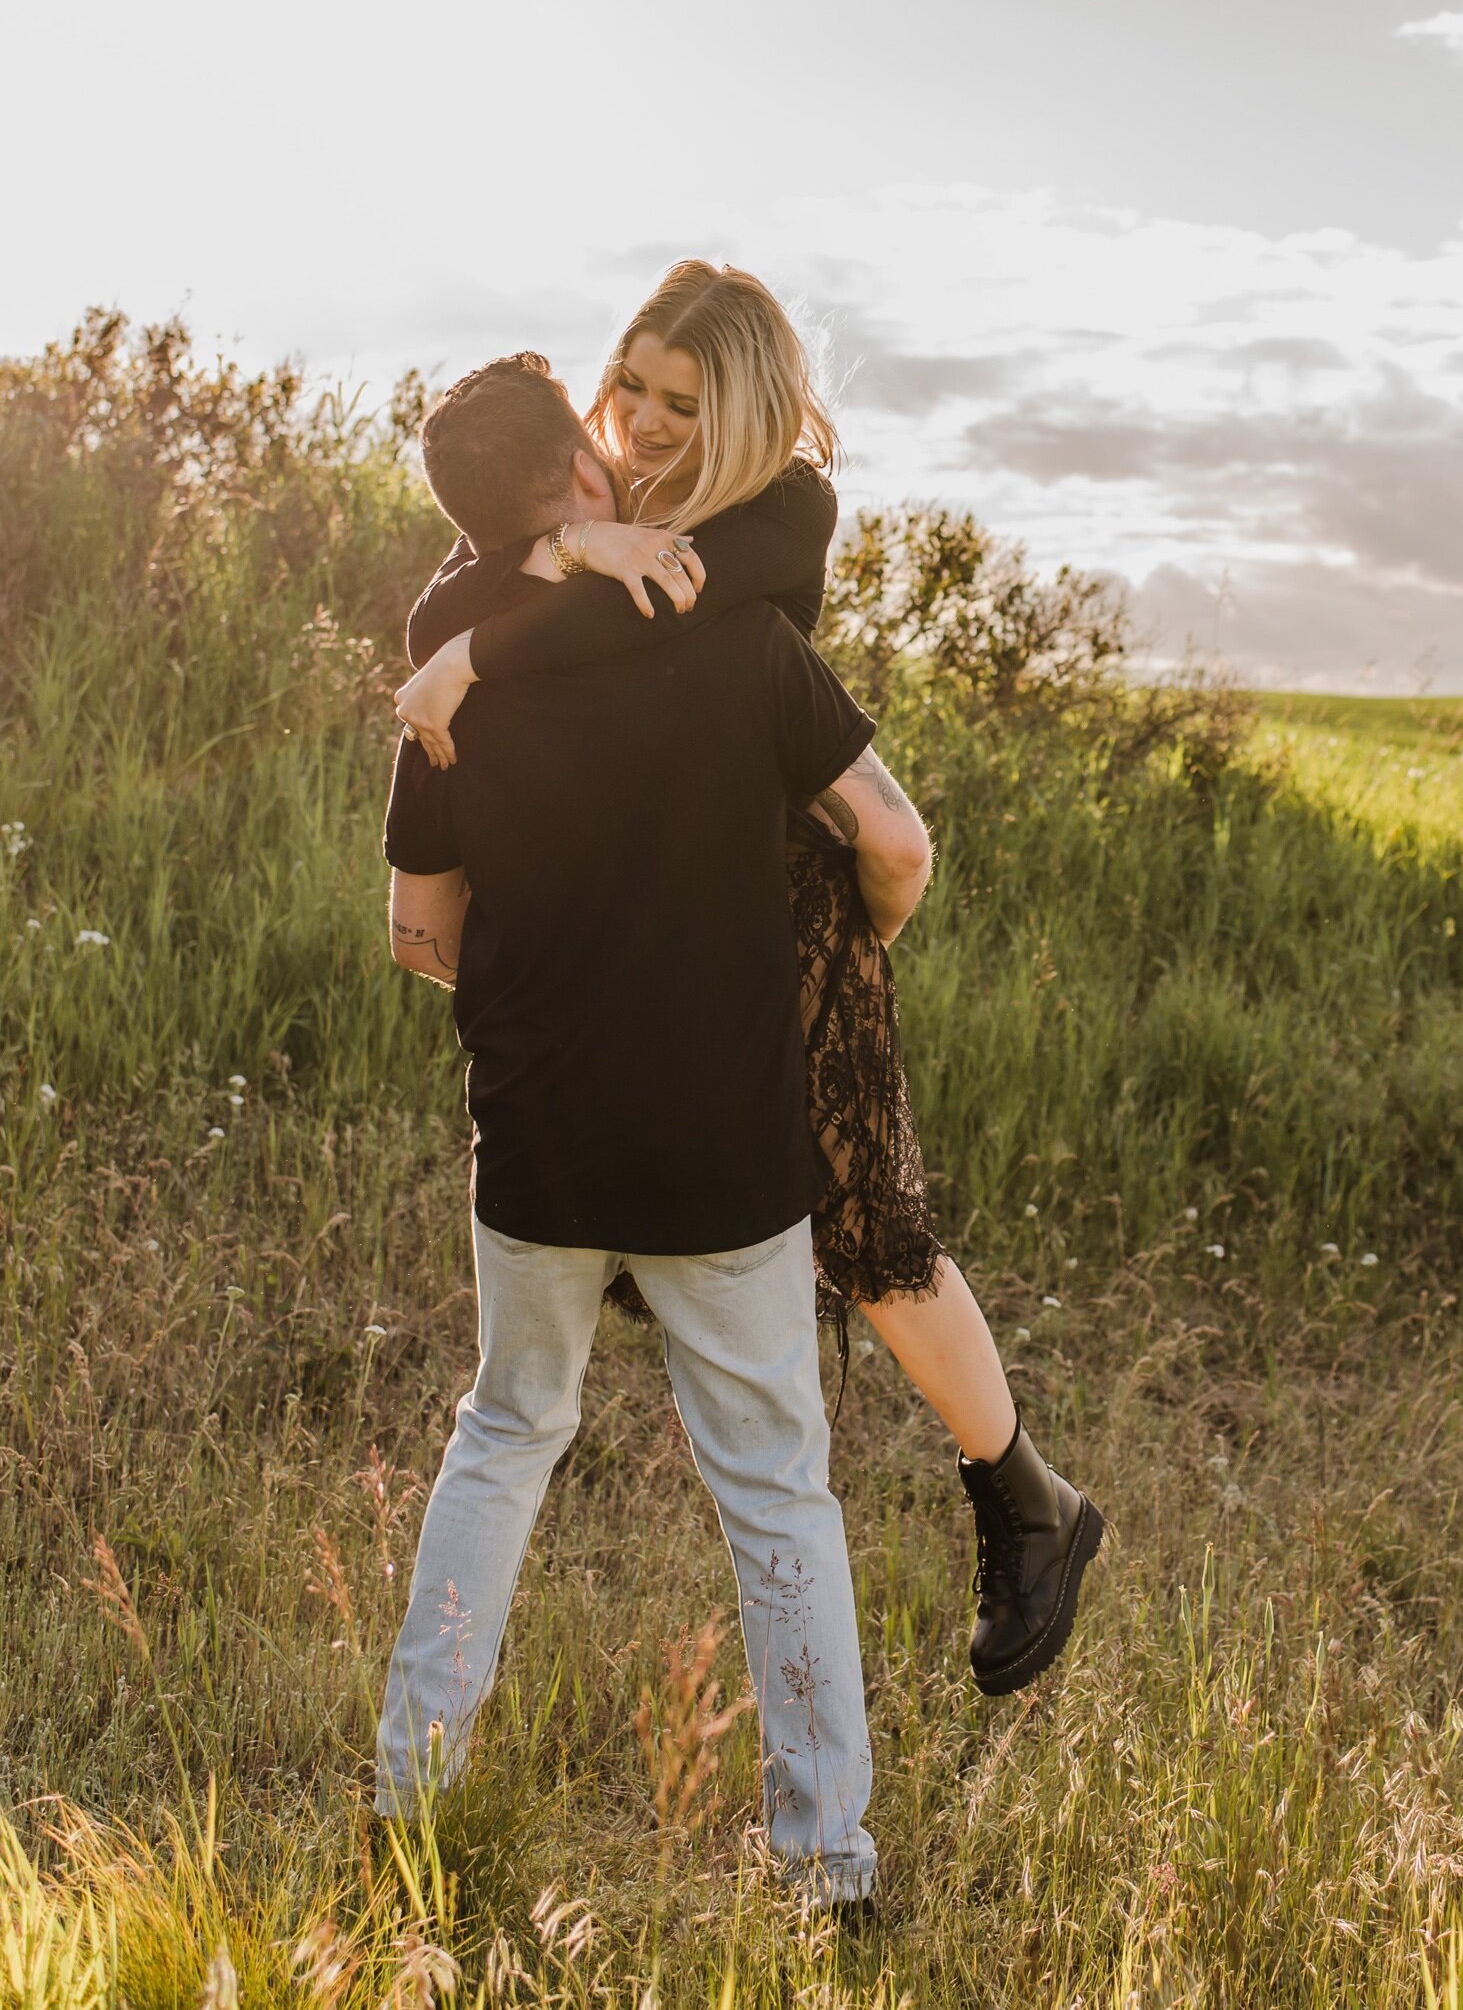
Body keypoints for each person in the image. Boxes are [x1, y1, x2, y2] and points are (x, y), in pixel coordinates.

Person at [394, 262, 1104, 1698]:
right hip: (653, 903)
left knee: (872, 1237)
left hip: (779, 898)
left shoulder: (777, 516)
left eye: (683, 402)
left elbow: (663, 626)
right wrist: (544, 570)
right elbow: (462, 599)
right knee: (742, 1254)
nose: (648, 426)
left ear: (750, 413)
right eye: (633, 391)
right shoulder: (583, 510)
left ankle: (1023, 1496)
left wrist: (491, 633)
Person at [376, 352, 935, 1905]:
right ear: (580, 469)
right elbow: (894, 838)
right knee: (775, 1486)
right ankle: (828, 1868)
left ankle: (408, 1799)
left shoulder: (450, 676)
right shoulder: (746, 641)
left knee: (502, 1440)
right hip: (726, 1149)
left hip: (541, 1141)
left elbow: (421, 937)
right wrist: (847, 939)